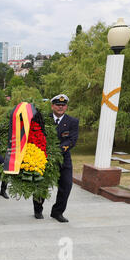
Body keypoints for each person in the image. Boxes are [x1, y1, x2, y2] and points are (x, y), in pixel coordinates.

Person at [33, 94, 79, 222]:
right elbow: (36, 135)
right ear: (52, 106)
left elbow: (72, 140)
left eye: (63, 105)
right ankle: (38, 209)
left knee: (66, 185)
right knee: (41, 184)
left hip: (63, 158)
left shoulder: (72, 122)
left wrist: (57, 151)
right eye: (58, 105)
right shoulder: (43, 119)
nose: (60, 107)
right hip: (44, 158)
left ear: (66, 107)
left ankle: (57, 212)